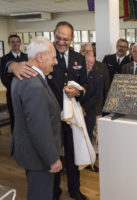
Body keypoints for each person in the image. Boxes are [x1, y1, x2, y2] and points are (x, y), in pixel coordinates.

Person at [8, 21, 88, 200]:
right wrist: (11, 65)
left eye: (65, 39)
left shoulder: (77, 58)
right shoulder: (28, 73)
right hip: (48, 125)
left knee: (70, 158)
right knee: (48, 176)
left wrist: (78, 92)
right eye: (57, 37)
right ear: (42, 57)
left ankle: (73, 190)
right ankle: (54, 192)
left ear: (72, 39)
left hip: (69, 119)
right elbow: (38, 127)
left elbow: (86, 85)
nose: (60, 42)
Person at [11, 36, 62, 200]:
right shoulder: (34, 84)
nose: (55, 62)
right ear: (40, 57)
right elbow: (39, 128)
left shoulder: (21, 77)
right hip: (39, 156)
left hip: (29, 151)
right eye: (53, 57)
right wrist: (52, 159)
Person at [0, 34, 28, 133]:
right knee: (14, 116)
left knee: (26, 115)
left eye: (17, 41)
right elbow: (3, 77)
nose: (15, 44)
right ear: (9, 44)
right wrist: (15, 88)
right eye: (12, 42)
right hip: (12, 93)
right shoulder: (4, 59)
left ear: (20, 43)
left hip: (26, 92)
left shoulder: (27, 57)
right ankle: (16, 138)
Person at [80, 44, 110, 115]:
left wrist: (106, 109)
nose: (86, 53)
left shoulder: (102, 66)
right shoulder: (76, 67)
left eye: (89, 51)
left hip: (97, 109)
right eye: (84, 50)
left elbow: (107, 88)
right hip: (80, 109)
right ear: (80, 52)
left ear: (93, 52)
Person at [81, 53, 100, 143]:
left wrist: (84, 108)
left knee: (87, 138)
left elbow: (96, 96)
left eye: (91, 63)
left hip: (89, 113)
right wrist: (79, 108)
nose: (89, 64)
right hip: (76, 111)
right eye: (87, 61)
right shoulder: (77, 76)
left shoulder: (96, 78)